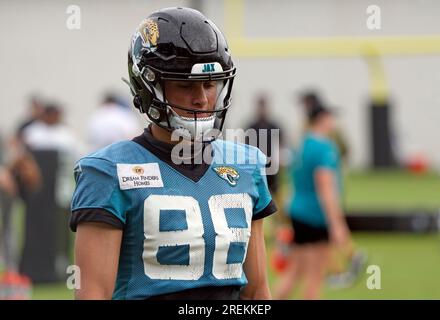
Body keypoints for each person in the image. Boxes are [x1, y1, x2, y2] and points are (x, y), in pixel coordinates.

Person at [70, 7, 276, 300]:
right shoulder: (107, 172)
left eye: (210, 84)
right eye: (185, 85)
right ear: (148, 85)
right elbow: (93, 294)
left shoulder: (245, 164)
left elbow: (256, 292)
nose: (202, 98)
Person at [274, 104, 358, 300]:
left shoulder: (303, 143)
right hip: (315, 216)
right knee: (315, 278)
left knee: (294, 272)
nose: (334, 122)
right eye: (331, 118)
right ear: (322, 119)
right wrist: (337, 224)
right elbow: (326, 189)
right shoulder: (324, 148)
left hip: (297, 212)